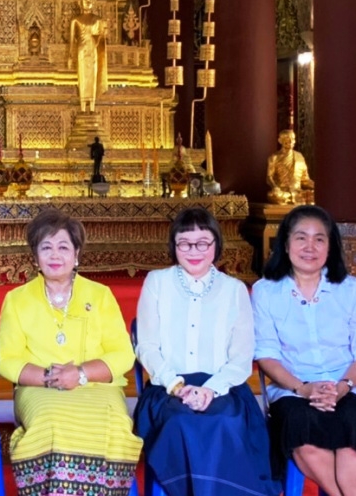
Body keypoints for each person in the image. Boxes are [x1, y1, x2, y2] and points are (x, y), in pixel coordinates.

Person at [133, 206, 279, 496]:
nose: (193, 250)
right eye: (184, 243)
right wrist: (177, 386)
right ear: (174, 246)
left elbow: (241, 358)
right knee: (180, 423)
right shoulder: (157, 283)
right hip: (167, 388)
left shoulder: (234, 289)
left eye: (202, 243)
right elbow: (146, 346)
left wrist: (210, 390)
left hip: (224, 388)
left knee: (225, 422)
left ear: (216, 245)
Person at [0, 209, 142, 496]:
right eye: (46, 247)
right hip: (40, 388)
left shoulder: (100, 295)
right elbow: (6, 357)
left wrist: (82, 374)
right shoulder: (17, 300)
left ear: (77, 254)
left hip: (96, 386)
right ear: (35, 256)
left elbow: (122, 353)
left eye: (63, 247)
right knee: (51, 421)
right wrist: (50, 378)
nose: (55, 255)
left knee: (112, 423)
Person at [253, 205, 356, 496]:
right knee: (303, 433)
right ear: (286, 244)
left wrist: (342, 386)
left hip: (355, 386)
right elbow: (266, 353)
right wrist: (302, 388)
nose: (309, 247)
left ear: (331, 247)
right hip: (294, 387)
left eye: (319, 239)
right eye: (301, 238)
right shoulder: (265, 291)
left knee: (353, 437)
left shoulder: (351, 289)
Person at [67, 0, 108, 113]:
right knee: (83, 76)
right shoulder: (75, 20)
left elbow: (102, 37)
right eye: (85, 0)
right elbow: (72, 40)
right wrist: (70, 56)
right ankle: (83, 106)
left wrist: (104, 33)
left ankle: (92, 105)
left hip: (93, 49)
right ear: (80, 3)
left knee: (93, 75)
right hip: (81, 50)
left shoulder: (98, 20)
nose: (88, 1)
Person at [265, 129, 314, 205]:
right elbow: (269, 177)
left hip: (298, 191)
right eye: (287, 138)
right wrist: (275, 187)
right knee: (273, 195)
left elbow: (305, 180)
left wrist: (316, 186)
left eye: (293, 139)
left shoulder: (300, 157)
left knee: (313, 195)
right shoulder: (274, 157)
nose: (290, 141)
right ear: (280, 140)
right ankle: (294, 198)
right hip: (282, 191)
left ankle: (295, 197)